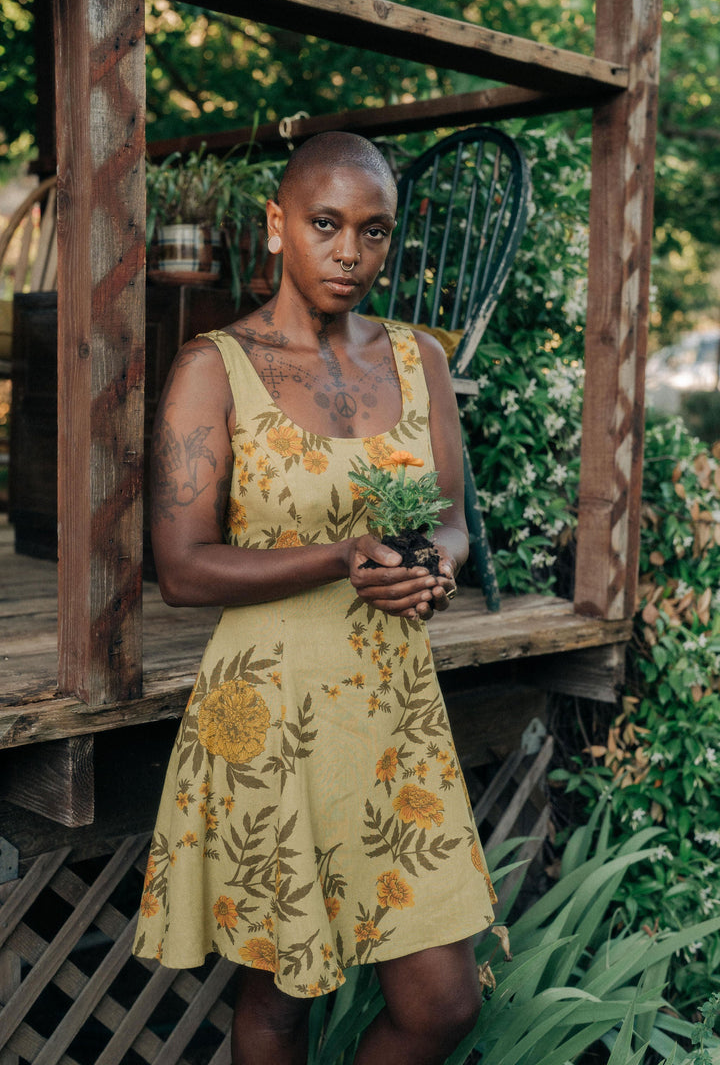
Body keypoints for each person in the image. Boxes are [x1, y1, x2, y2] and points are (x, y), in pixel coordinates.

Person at [134, 131, 496, 1065]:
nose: (350, 254)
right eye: (326, 225)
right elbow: (181, 569)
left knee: (443, 1003)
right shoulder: (218, 367)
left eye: (373, 233)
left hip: (394, 712)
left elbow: (453, 519)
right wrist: (341, 555)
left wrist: (436, 566)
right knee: (283, 994)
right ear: (277, 225)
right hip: (270, 709)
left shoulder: (419, 360)